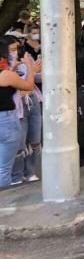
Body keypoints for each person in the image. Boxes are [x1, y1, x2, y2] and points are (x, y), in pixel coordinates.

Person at [0, 39, 35, 188]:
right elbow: (28, 85)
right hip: (6, 120)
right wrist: (29, 65)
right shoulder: (5, 75)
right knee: (3, 168)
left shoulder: (8, 74)